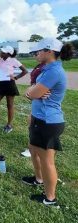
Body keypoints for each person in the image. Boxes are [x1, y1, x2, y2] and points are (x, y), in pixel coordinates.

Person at [22, 38, 74, 207]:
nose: (36, 54)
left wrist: (31, 92)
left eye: (38, 51)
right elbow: (31, 92)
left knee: (47, 160)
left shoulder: (54, 71)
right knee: (32, 149)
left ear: (49, 51)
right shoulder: (46, 69)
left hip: (48, 121)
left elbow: (33, 93)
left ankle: (50, 198)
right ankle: (38, 179)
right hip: (40, 118)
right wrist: (31, 92)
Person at [0, 46, 28, 133]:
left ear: (8, 53)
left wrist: (16, 78)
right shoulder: (0, 60)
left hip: (10, 84)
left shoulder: (13, 60)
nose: (1, 53)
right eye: (1, 51)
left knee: (9, 105)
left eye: (3, 52)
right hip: (2, 84)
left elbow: (25, 71)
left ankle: (9, 125)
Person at [21, 49, 46, 157]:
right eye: (35, 54)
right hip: (36, 96)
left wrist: (32, 92)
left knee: (36, 123)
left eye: (37, 53)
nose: (36, 55)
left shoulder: (48, 68)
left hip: (42, 99)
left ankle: (37, 147)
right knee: (32, 122)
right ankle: (34, 146)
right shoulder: (39, 66)